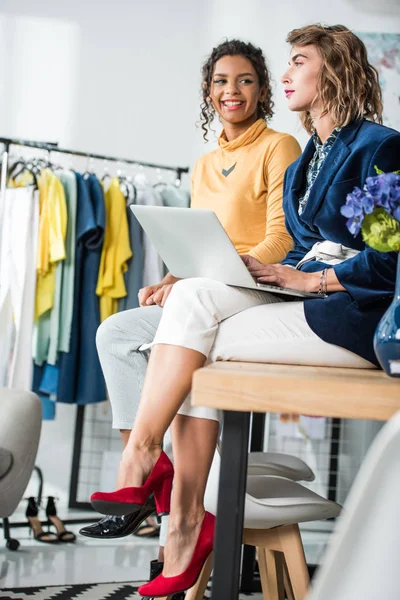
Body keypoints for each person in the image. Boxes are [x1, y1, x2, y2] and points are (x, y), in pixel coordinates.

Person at [91, 23, 400, 597]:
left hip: (351, 313)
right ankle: (171, 496)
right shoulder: (309, 155)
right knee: (190, 299)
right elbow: (303, 245)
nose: (285, 74)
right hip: (304, 293)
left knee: (191, 339)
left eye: (298, 62)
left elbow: (388, 262)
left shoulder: (380, 145)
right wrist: (269, 276)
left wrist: (311, 279)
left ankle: (161, 485)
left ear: (335, 70)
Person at [81, 38, 301, 590]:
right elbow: (205, 242)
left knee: (186, 342)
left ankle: (156, 478)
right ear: (209, 90)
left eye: (246, 80)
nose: (233, 91)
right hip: (207, 290)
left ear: (262, 89)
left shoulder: (280, 146)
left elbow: (281, 238)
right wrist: (174, 277)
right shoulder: (204, 163)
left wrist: (232, 270)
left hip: (257, 290)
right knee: (117, 333)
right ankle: (159, 477)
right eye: (222, 80)